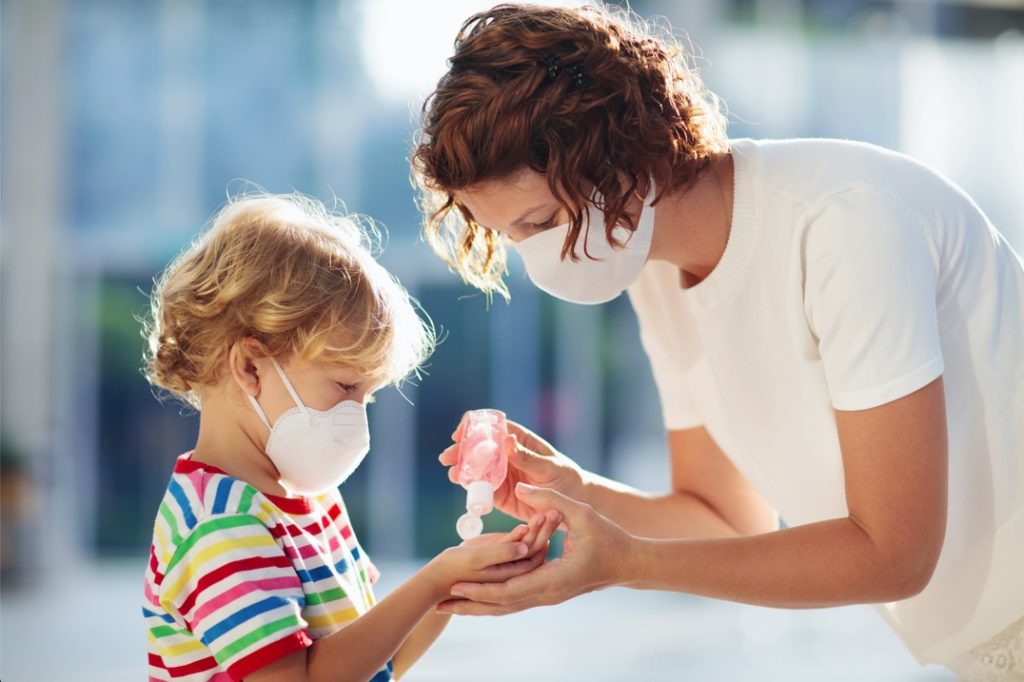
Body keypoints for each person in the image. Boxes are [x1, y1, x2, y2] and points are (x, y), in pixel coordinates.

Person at [411, 4, 1024, 679]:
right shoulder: (656, 273)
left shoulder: (844, 224)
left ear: (618, 150)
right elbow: (726, 520)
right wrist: (576, 492)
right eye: (510, 237)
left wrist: (628, 565)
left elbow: (895, 553)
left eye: (541, 221)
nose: (536, 259)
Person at [140, 194, 561, 682]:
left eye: (369, 395)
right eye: (345, 386)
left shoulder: (311, 498)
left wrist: (457, 581)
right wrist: (433, 580)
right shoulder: (219, 525)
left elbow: (377, 664)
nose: (357, 416)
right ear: (249, 366)